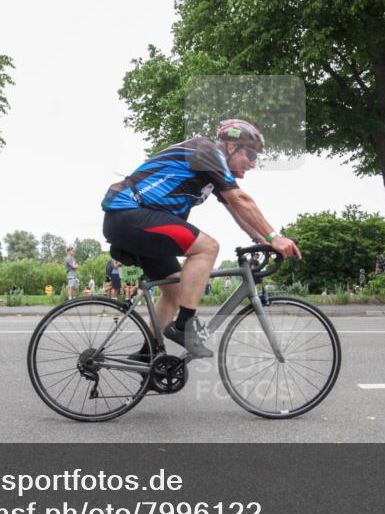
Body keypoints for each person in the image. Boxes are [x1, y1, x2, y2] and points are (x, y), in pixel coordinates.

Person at [101, 118, 300, 358]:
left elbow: (234, 207)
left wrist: (259, 238)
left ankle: (149, 355)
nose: (252, 164)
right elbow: (241, 200)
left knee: (174, 290)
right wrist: (275, 237)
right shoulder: (206, 151)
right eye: (251, 156)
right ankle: (184, 326)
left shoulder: (211, 168)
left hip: (137, 220)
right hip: (129, 213)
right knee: (207, 247)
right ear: (231, 146)